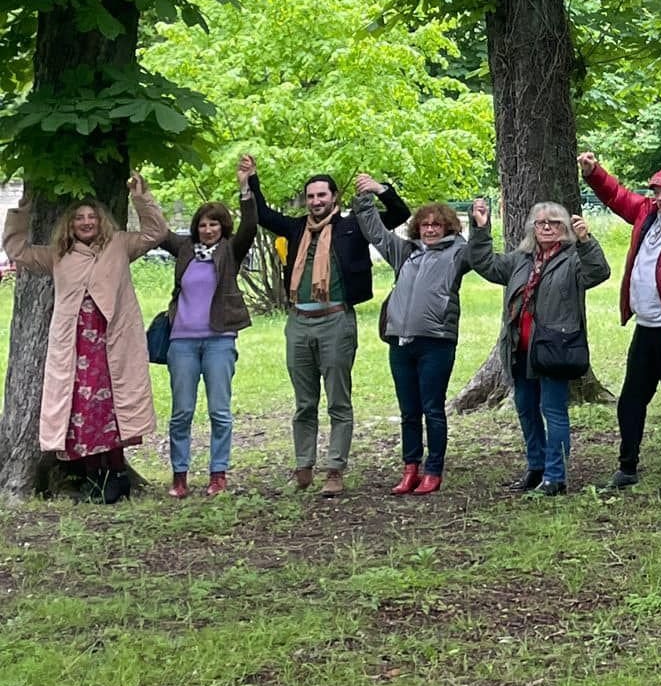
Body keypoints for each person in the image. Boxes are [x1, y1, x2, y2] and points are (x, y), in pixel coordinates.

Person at [248, 159, 410, 496]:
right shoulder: (295, 229)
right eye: (311, 196)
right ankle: (303, 467)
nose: (316, 201)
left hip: (336, 320)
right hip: (298, 323)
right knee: (304, 403)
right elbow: (261, 214)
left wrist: (379, 190)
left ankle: (335, 469)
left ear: (334, 197)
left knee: (338, 400)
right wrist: (250, 180)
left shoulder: (353, 227)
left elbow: (399, 215)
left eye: (322, 195)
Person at [2, 173, 166, 503]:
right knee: (81, 410)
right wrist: (23, 208)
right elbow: (17, 250)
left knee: (115, 408)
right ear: (70, 225)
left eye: (92, 217)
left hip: (112, 344)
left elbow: (156, 232)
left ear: (101, 221)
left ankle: (117, 475)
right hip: (75, 349)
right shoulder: (58, 254)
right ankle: (94, 475)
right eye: (79, 218)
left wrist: (141, 197)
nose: (86, 222)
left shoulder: (119, 244)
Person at [582, 152, 661, 498]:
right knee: (631, 400)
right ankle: (627, 466)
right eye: (657, 192)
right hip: (646, 330)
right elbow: (618, 196)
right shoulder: (647, 215)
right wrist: (594, 172)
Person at [466, 196, 611, 497]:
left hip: (555, 348)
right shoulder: (521, 259)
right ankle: (536, 467)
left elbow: (598, 273)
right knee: (526, 409)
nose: (547, 228)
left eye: (554, 223)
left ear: (565, 228)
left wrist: (586, 242)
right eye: (541, 223)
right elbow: (485, 264)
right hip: (520, 348)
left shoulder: (573, 259)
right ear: (532, 228)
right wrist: (480, 229)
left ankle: (556, 476)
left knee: (553, 410)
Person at [353, 176, 467, 496]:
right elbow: (375, 231)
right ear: (418, 228)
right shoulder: (405, 252)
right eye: (425, 225)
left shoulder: (458, 253)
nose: (430, 230)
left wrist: (482, 229)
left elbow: (481, 255)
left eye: (437, 225)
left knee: (432, 407)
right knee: (408, 411)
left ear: (447, 228)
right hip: (400, 341)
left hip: (436, 341)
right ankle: (410, 468)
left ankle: (434, 470)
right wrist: (369, 195)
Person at [159, 174, 259, 497]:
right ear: (196, 227)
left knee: (219, 410)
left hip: (219, 340)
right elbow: (159, 231)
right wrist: (142, 197)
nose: (208, 230)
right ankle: (180, 476)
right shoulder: (185, 249)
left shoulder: (230, 251)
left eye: (214, 224)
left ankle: (218, 473)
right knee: (182, 411)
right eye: (203, 224)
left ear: (223, 227)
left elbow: (250, 227)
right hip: (182, 342)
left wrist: (247, 187)